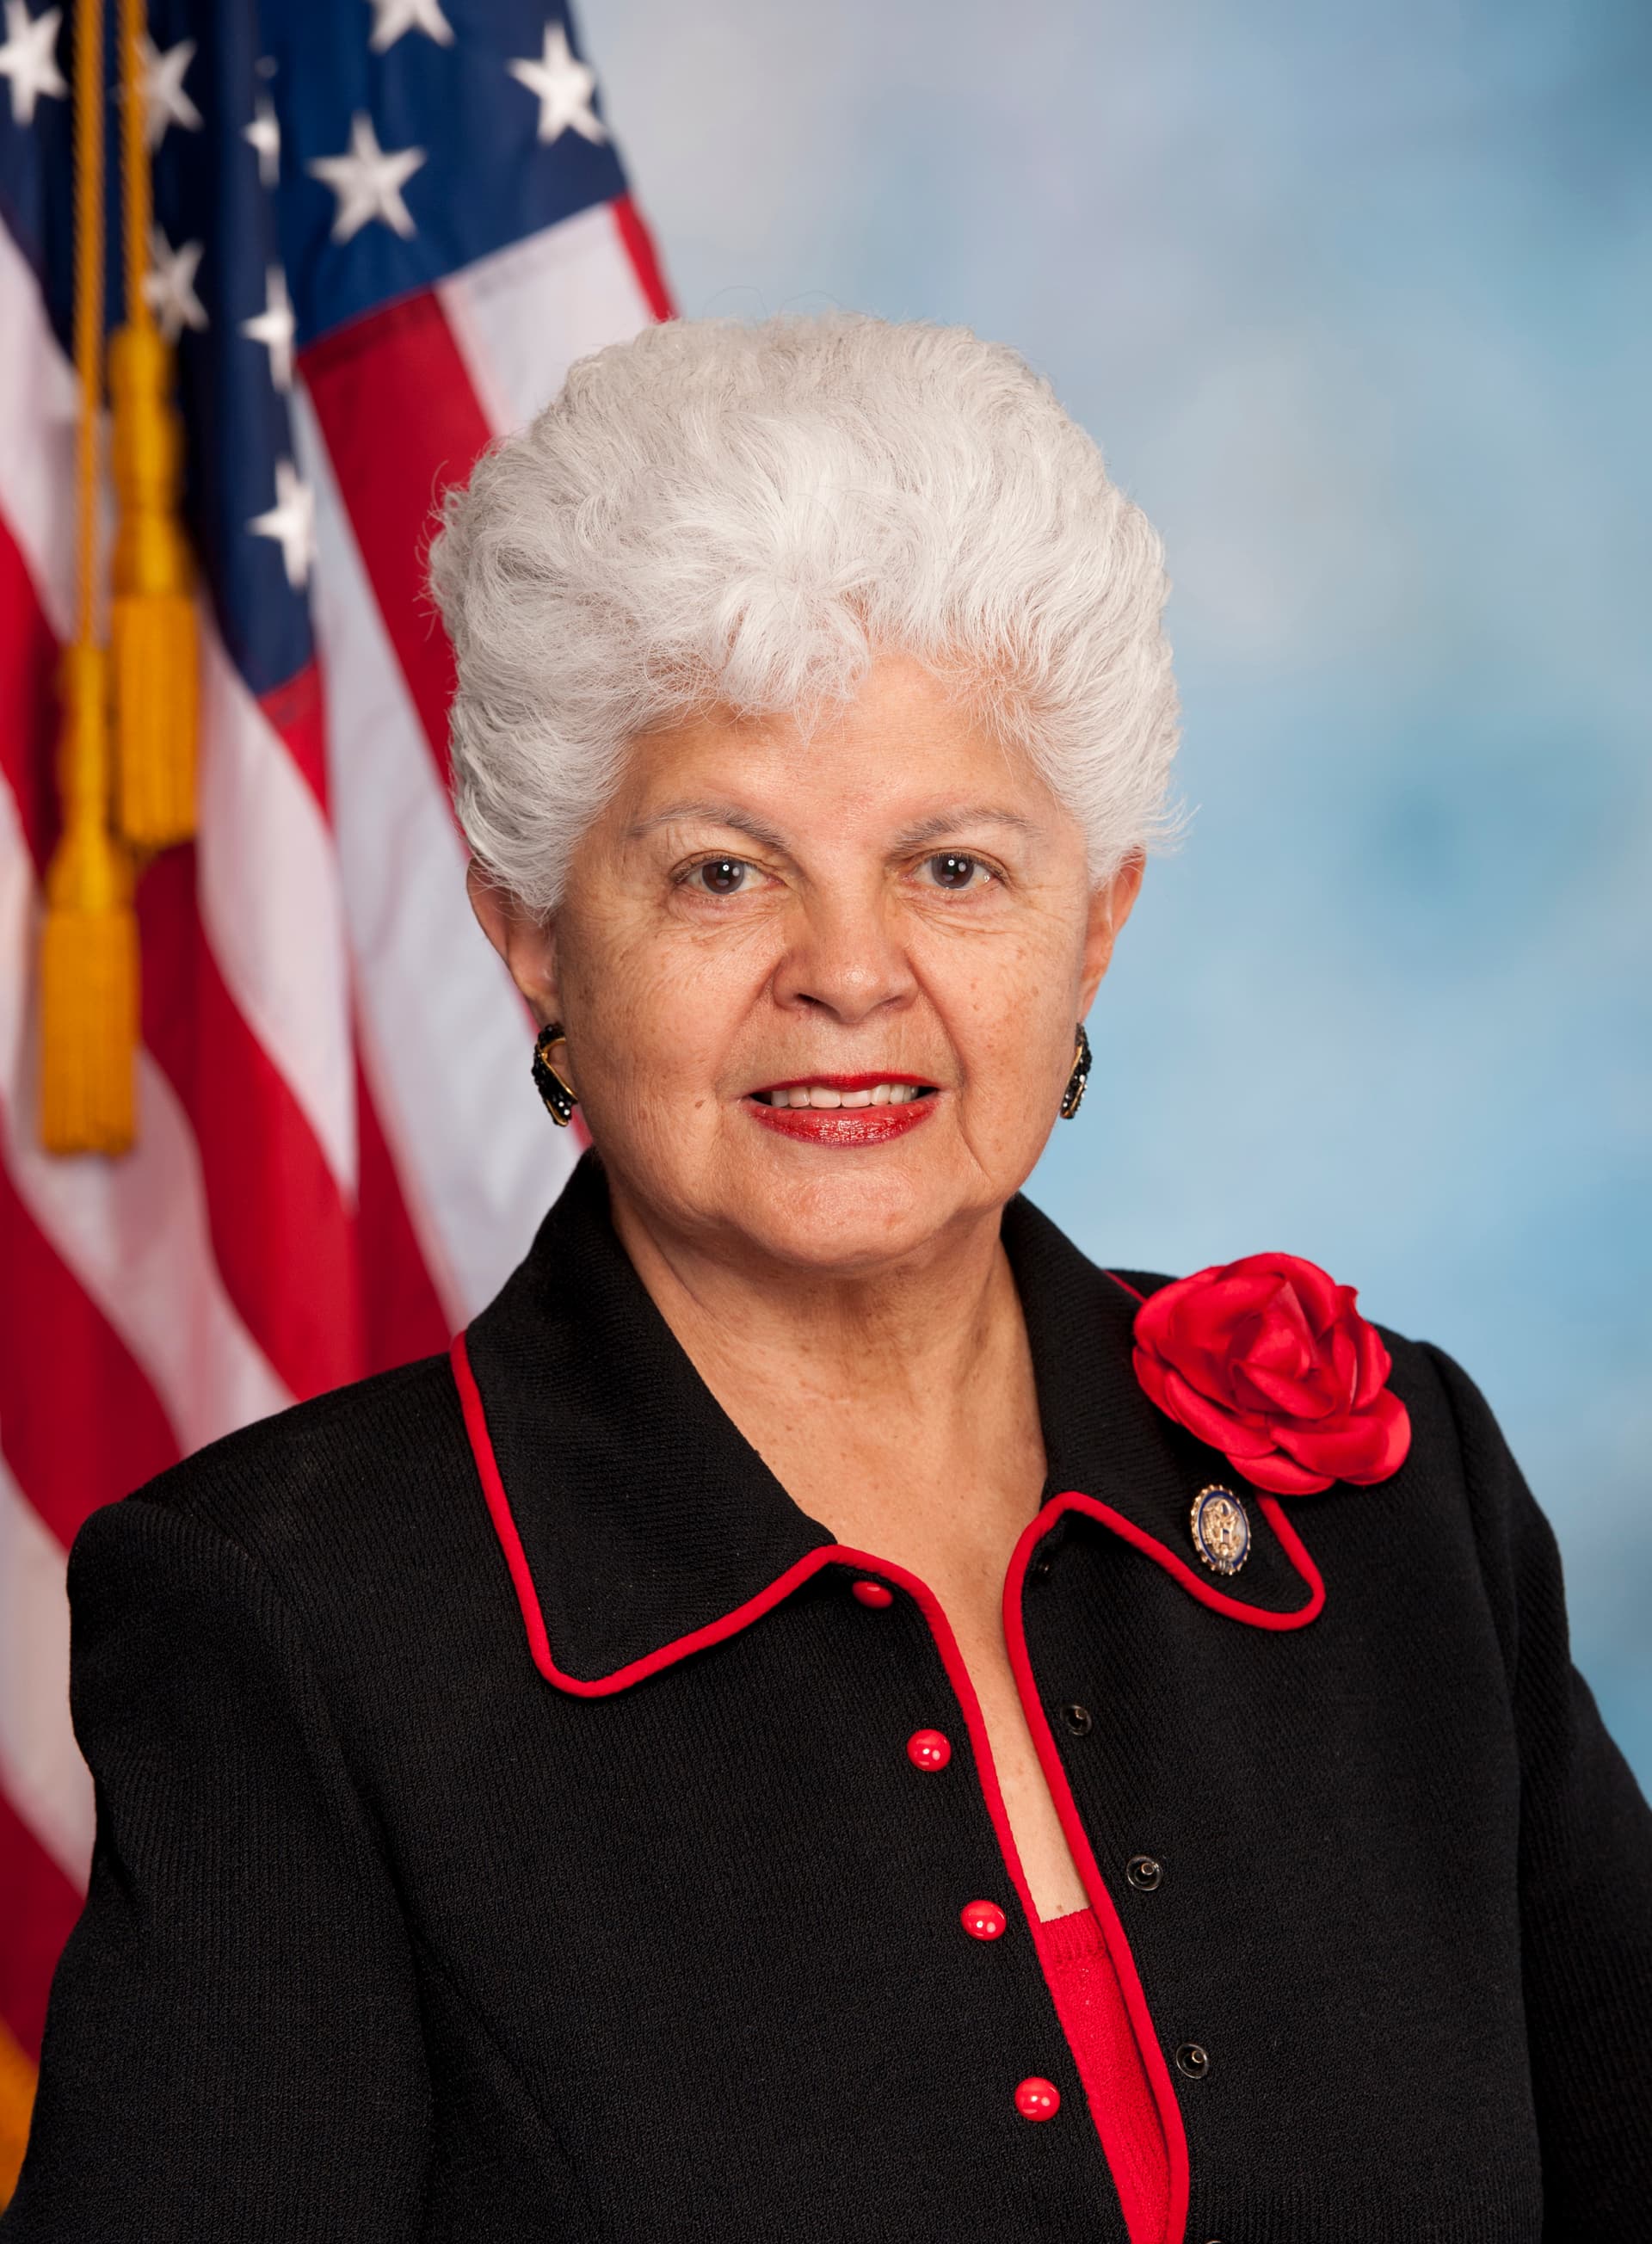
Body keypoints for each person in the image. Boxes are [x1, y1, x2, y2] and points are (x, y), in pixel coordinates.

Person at [6, 313, 1649, 2244]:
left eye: (955, 866)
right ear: (530, 932)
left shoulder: (1393, 1500)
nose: (849, 970)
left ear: (1096, 922)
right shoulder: (292, 1616)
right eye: (722, 871)